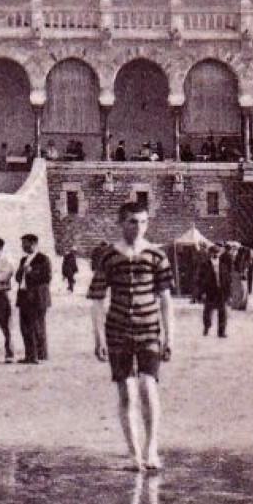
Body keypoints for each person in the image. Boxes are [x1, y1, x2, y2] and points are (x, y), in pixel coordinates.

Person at [88, 201, 175, 471]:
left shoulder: (156, 255)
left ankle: (151, 448)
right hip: (118, 331)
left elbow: (165, 299)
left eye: (142, 222)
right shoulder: (108, 256)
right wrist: (98, 338)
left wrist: (170, 338)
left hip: (149, 330)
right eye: (132, 222)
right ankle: (133, 453)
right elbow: (97, 300)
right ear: (121, 222)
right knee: (126, 391)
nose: (137, 227)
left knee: (149, 388)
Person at [15, 233, 53, 363]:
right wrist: (21, 271)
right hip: (24, 297)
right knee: (25, 327)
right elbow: (17, 278)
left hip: (37, 298)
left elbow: (47, 277)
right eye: (22, 244)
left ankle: (41, 355)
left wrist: (31, 271)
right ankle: (30, 355)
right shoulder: (23, 260)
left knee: (37, 327)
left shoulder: (43, 259)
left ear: (33, 244)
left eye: (25, 244)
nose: (23, 246)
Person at [197, 242, 232, 340]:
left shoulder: (223, 265)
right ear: (210, 253)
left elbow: (227, 280)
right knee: (208, 311)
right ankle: (206, 327)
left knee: (223, 312)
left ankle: (221, 331)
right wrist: (202, 292)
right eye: (213, 252)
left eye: (217, 252)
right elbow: (200, 279)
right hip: (210, 291)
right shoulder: (205, 265)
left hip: (221, 291)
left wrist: (228, 293)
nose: (216, 254)